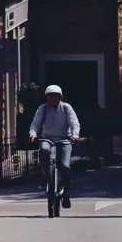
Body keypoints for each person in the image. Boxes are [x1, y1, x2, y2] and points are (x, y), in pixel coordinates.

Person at [28, 83, 80, 216]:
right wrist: (33, 133)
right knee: (44, 151)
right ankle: (46, 175)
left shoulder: (66, 108)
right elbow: (35, 123)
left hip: (64, 139)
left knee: (65, 166)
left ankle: (66, 192)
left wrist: (75, 134)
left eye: (55, 96)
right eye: (50, 96)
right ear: (46, 97)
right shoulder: (43, 109)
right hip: (47, 138)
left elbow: (74, 122)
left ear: (59, 97)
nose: (52, 98)